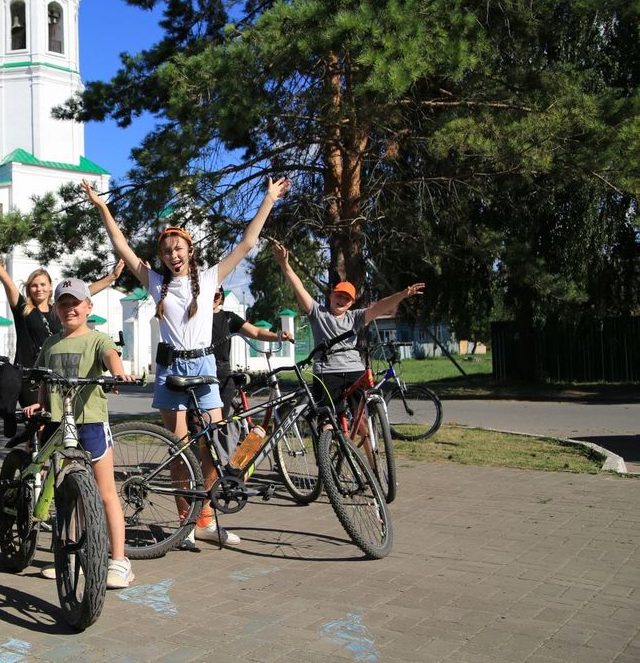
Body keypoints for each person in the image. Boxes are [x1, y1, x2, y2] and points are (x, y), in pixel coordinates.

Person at [82, 176, 289, 548]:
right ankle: (185, 524)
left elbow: (247, 243)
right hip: (170, 370)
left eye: (178, 249)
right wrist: (101, 207)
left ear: (189, 250)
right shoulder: (155, 282)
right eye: (166, 251)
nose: (172, 255)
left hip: (205, 368)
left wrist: (270, 198)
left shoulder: (209, 279)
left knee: (212, 445)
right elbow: (121, 246)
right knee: (178, 448)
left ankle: (206, 518)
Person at [23, 278, 137, 588]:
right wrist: (40, 404)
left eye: (75, 303)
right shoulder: (50, 344)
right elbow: (44, 378)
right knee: (67, 495)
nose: (69, 308)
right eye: (63, 303)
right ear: (56, 309)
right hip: (60, 426)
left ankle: (118, 560)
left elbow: (111, 357)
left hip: (91, 424)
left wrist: (119, 371)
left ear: (88, 306)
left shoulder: (98, 339)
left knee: (105, 492)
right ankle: (72, 556)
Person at [271, 241, 425, 415]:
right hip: (327, 371)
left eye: (347, 298)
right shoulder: (317, 312)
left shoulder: (355, 317)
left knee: (362, 420)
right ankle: (328, 437)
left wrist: (403, 294)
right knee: (328, 420)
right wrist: (285, 265)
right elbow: (299, 288)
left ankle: (368, 442)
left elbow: (379, 306)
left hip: (354, 370)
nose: (342, 300)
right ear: (331, 295)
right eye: (339, 295)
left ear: (352, 302)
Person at [0, 230, 124, 407]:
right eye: (34, 286)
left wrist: (112, 277)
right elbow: (7, 281)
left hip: (56, 374)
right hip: (30, 377)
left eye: (43, 284)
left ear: (51, 286)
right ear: (29, 288)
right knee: (40, 422)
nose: (39, 289)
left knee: (58, 422)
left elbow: (85, 292)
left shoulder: (60, 309)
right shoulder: (24, 309)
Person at [211, 285, 292, 419]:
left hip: (222, 370)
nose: (213, 299)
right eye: (209, 295)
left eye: (216, 296)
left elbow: (256, 331)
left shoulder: (228, 317)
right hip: (202, 368)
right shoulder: (197, 317)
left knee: (221, 419)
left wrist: (278, 336)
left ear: (221, 297)